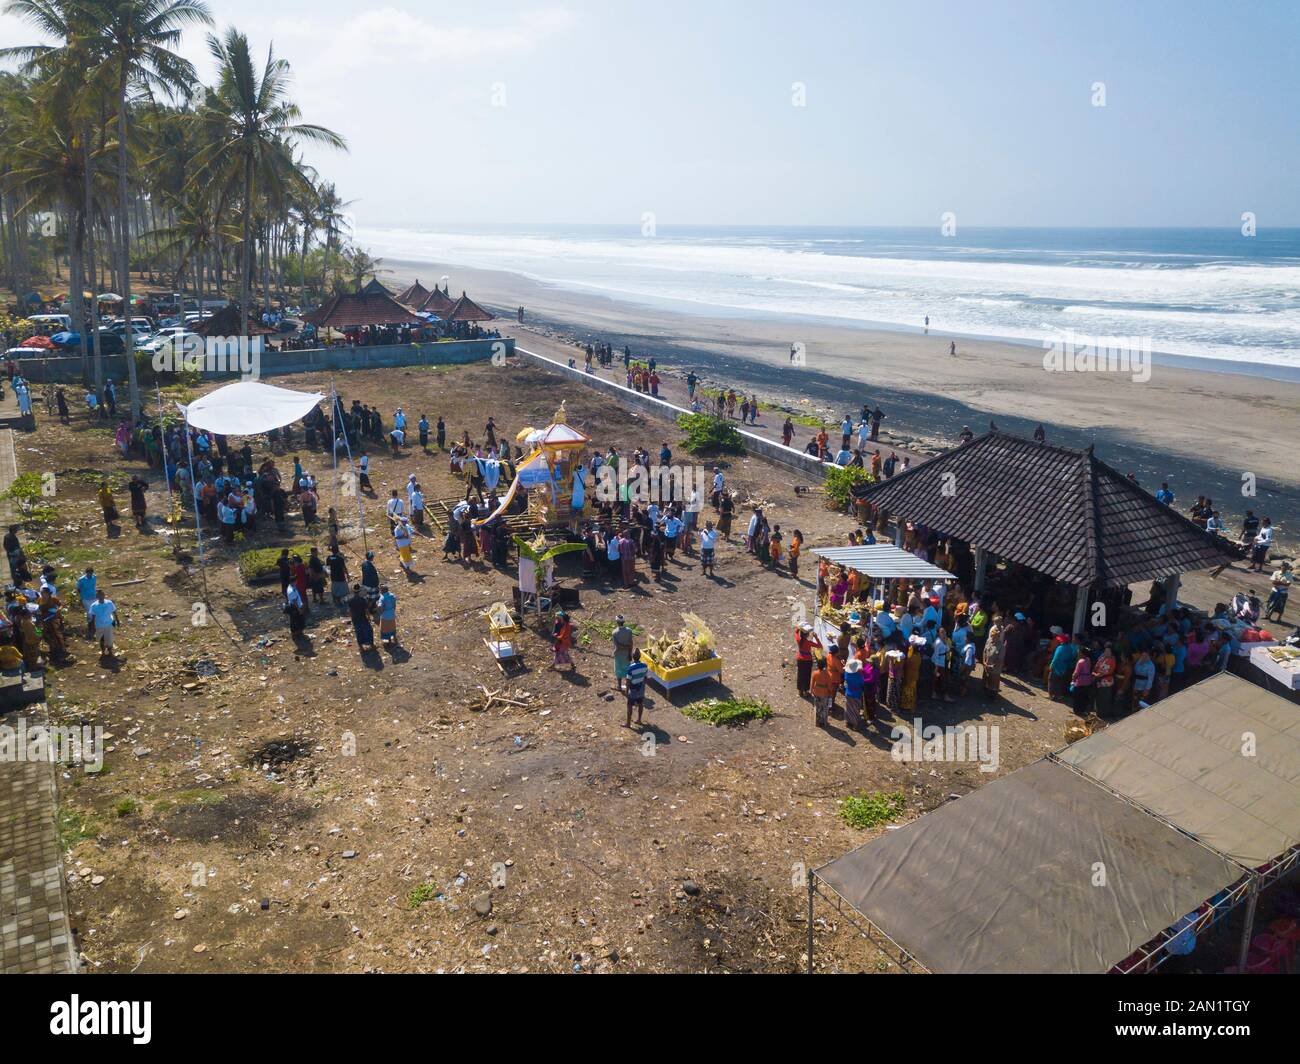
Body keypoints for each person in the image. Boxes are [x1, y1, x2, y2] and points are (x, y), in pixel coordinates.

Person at [88, 589, 119, 660]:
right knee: (101, 639)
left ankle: (109, 652)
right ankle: (104, 651)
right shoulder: (94, 606)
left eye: (102, 594)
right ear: (97, 596)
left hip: (108, 624)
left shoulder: (109, 603)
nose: (101, 596)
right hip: (99, 625)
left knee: (109, 640)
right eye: (99, 595)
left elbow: (114, 611)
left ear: (104, 595)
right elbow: (93, 617)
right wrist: (93, 626)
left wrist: (117, 620)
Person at [794, 622, 821, 697]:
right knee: (807, 675)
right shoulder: (809, 642)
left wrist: (799, 627)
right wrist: (816, 637)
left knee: (800, 675)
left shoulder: (798, 639)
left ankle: (800, 691)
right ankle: (805, 691)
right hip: (808, 660)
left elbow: (796, 632)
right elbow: (819, 645)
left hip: (800, 659)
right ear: (807, 634)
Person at [809, 655, 836, 727]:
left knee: (817, 707)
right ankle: (824, 722)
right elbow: (829, 686)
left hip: (816, 692)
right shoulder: (828, 674)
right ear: (825, 665)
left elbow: (812, 683)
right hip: (825, 693)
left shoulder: (815, 673)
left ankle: (817, 722)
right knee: (824, 708)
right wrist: (831, 693)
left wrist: (811, 690)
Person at [625, 649, 649, 727]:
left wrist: (626, 691)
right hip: (641, 687)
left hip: (633, 689)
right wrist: (642, 686)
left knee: (629, 705)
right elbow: (645, 677)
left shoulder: (630, 668)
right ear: (640, 656)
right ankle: (639, 720)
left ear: (632, 656)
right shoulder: (645, 665)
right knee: (640, 703)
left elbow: (628, 681)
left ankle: (628, 723)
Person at [347, 584, 375, 651]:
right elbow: (366, 610)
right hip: (363, 618)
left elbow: (350, 611)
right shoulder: (363, 600)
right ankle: (371, 645)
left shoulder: (350, 600)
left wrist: (351, 618)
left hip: (355, 619)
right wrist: (369, 617)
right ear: (359, 591)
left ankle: (361, 647)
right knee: (368, 631)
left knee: (358, 633)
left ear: (353, 591)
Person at [611, 615, 634, 693]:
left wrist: (623, 647)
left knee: (619, 671)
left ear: (617, 622)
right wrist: (630, 653)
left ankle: (619, 686)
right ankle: (627, 686)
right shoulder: (629, 631)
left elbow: (617, 646)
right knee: (627, 670)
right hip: (627, 653)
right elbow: (631, 643)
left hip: (618, 654)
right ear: (624, 622)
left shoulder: (615, 632)